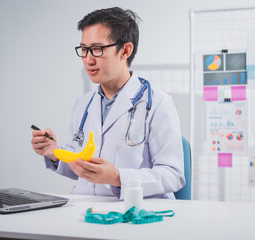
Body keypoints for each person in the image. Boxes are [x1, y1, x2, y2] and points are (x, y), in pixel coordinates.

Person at [31, 7, 185, 199]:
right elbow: (80, 168)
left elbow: (173, 175)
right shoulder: (83, 105)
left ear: (125, 50)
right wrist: (55, 154)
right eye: (84, 50)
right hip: (86, 208)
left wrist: (119, 178)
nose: (88, 59)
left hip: (136, 210)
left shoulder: (158, 103)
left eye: (97, 49)